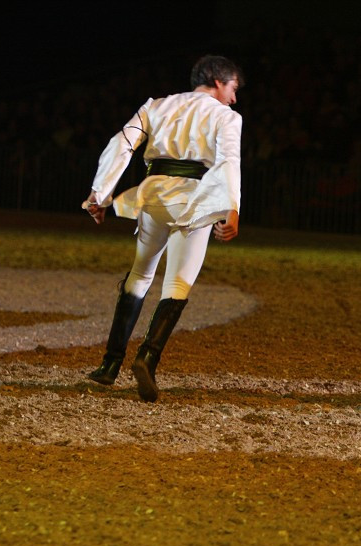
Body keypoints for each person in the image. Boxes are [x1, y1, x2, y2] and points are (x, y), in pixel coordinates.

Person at [83, 55, 243, 402]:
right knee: (178, 284)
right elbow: (230, 160)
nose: (233, 97)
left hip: (152, 194)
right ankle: (148, 358)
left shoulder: (156, 105)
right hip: (193, 200)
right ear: (218, 80)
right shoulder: (225, 116)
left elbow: (121, 143)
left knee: (140, 273)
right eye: (232, 88)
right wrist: (232, 208)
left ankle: (110, 364)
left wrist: (101, 192)